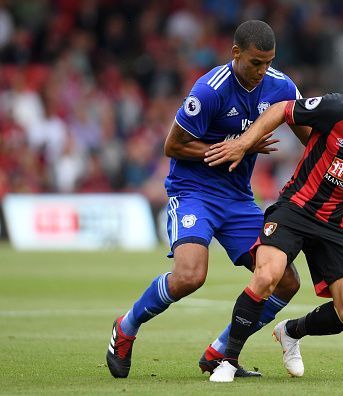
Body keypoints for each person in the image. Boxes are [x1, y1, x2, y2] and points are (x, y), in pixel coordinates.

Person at [106, 20, 310, 379]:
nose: (262, 71)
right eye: (255, 63)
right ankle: (126, 327)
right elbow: (173, 145)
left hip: (237, 199)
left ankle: (220, 352)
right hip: (193, 192)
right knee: (189, 276)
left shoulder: (281, 87)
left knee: (286, 281)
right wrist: (232, 148)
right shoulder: (210, 90)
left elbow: (310, 136)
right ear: (236, 54)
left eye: (268, 62)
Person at [203, 73, 343, 382]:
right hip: (295, 209)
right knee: (267, 276)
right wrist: (243, 144)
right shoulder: (336, 110)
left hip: (338, 227)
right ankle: (228, 361)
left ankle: (291, 332)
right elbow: (282, 109)